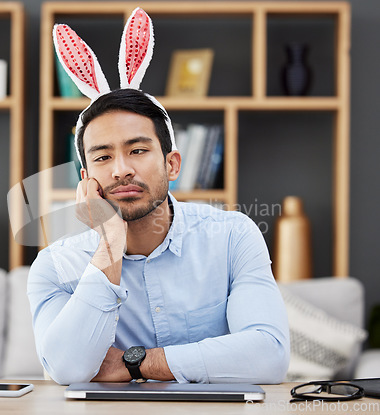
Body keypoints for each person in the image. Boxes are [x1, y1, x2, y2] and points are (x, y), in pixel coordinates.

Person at [28, 8, 289, 386]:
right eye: (103, 157)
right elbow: (68, 370)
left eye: (137, 150)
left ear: (172, 164)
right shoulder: (54, 267)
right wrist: (110, 244)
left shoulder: (233, 237)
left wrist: (138, 364)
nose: (120, 170)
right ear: (86, 179)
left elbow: (269, 356)